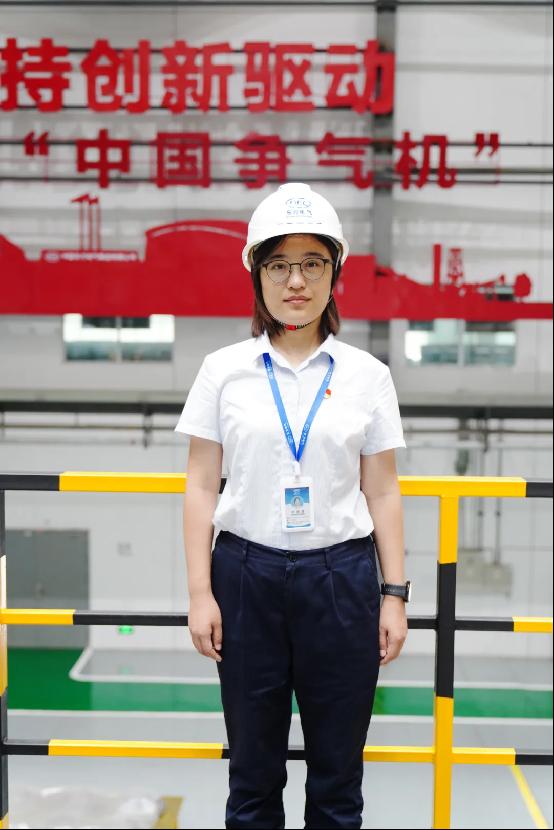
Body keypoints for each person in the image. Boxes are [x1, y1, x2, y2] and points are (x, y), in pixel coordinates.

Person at [175, 182, 410, 830]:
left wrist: (394, 594)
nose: (296, 281)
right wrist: (200, 593)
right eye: (279, 265)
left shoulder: (367, 375)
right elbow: (201, 484)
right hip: (245, 578)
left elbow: (383, 489)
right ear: (257, 274)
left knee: (338, 779)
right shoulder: (223, 370)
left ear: (335, 273)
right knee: (253, 777)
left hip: (341, 580)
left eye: (312, 263)